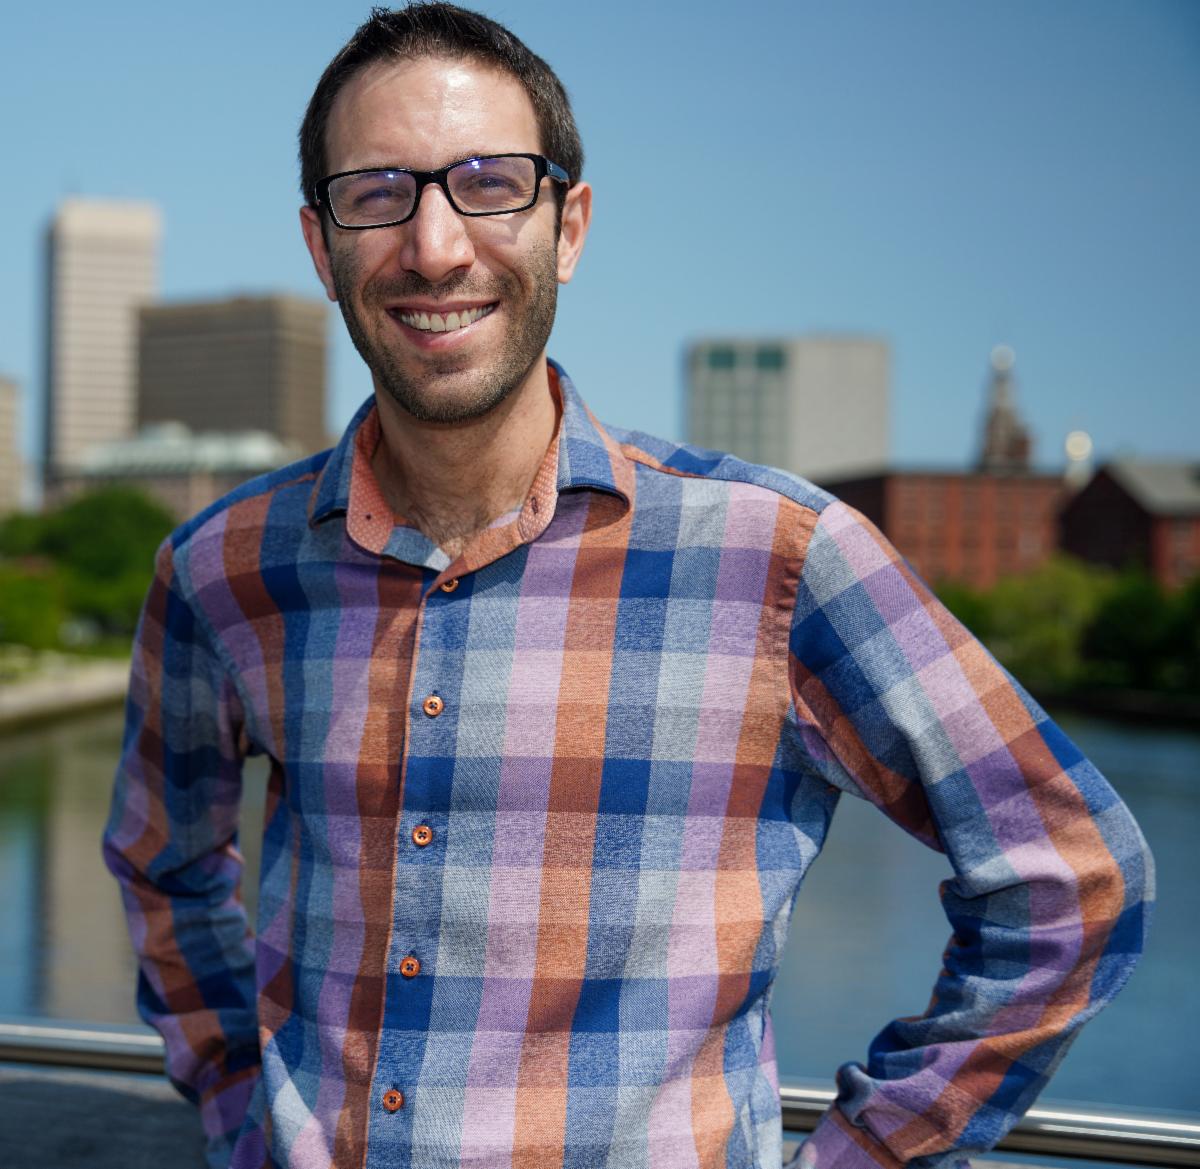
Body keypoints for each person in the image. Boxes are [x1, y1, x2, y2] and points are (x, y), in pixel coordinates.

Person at [103, 5, 1152, 1168]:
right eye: (377, 193)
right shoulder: (222, 571)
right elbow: (163, 864)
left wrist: (870, 1150)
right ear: (321, 244)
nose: (435, 246)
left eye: (490, 184)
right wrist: (239, 1108)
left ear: (570, 227)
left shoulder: (778, 557)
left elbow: (1075, 878)